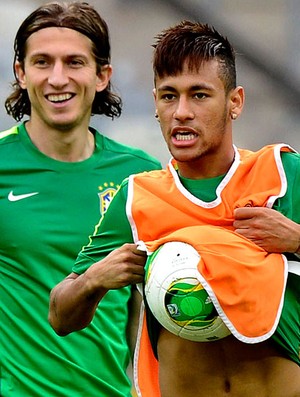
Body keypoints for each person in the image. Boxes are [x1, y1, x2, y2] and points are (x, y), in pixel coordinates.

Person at [49, 20, 300, 397]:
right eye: (169, 96)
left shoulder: (282, 173)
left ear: (235, 102)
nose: (181, 112)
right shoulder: (137, 198)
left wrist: (297, 238)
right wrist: (94, 279)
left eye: (199, 95)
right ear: (155, 103)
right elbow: (60, 316)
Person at [0, 2, 161, 396]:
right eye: (42, 62)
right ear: (21, 73)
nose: (58, 78)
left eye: (74, 62)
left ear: (102, 75)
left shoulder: (141, 174)